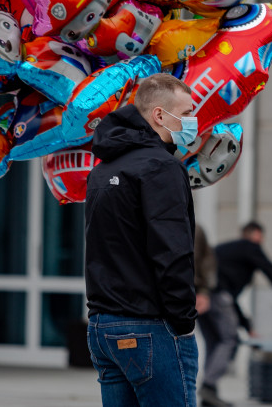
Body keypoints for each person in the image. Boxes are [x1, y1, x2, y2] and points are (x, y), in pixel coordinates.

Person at [84, 73, 201, 407]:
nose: (193, 121)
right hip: (150, 326)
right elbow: (172, 250)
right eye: (187, 112)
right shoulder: (160, 167)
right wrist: (183, 322)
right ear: (160, 115)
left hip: (103, 325)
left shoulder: (102, 169)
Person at [198, 221, 272, 407]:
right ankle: (208, 386)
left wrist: (248, 327)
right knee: (229, 340)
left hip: (201, 295)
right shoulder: (250, 247)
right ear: (257, 235)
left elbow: (231, 299)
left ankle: (210, 394)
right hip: (215, 297)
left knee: (214, 342)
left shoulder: (229, 252)